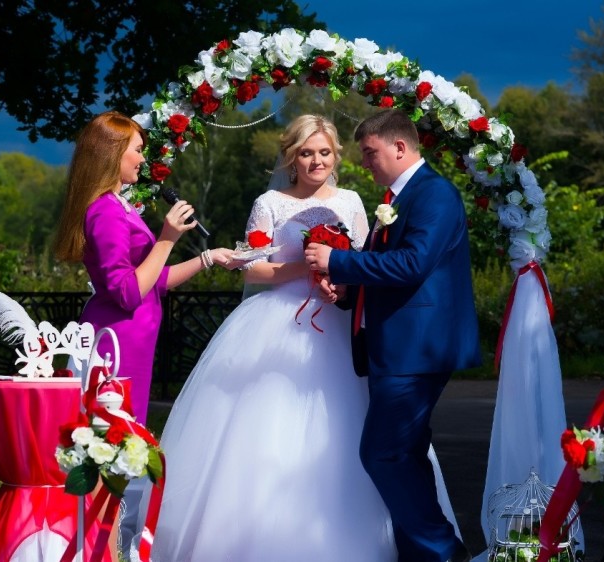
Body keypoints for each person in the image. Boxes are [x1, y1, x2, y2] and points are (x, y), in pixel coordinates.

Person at [138, 115, 458, 561]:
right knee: (272, 431)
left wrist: (339, 281)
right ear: (291, 157)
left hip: (339, 322)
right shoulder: (269, 202)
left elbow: (366, 261)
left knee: (364, 438)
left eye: (324, 152)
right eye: (306, 153)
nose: (316, 161)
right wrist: (307, 268)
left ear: (335, 157)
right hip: (278, 324)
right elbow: (252, 267)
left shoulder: (351, 201)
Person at [305, 109, 482, 562]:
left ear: (400, 147)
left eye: (370, 152)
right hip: (396, 348)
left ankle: (446, 553)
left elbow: (412, 264)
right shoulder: (397, 197)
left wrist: (337, 261)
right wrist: (345, 291)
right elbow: (388, 271)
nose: (364, 162)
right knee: (405, 455)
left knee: (382, 454)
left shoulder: (434, 194)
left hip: (417, 349)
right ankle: (421, 555)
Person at [54, 110, 237, 426]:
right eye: (137, 150)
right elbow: (127, 292)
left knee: (123, 428)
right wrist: (167, 238)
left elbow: (153, 279)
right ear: (112, 153)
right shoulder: (106, 210)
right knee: (114, 429)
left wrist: (208, 258)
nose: (142, 159)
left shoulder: (118, 205)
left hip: (131, 335)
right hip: (117, 338)